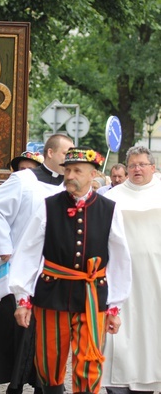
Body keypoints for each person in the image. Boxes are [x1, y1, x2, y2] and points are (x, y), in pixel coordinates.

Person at [9, 147, 132, 394]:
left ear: (93, 175)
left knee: (90, 360)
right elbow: (28, 252)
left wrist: (115, 306)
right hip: (52, 293)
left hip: (92, 296)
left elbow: (120, 259)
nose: (70, 176)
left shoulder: (109, 209)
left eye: (77, 170)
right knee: (49, 361)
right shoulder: (48, 206)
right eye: (67, 170)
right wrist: (22, 298)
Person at [0, 134, 74, 394]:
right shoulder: (24, 180)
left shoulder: (70, 187)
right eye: (67, 152)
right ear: (51, 153)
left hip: (55, 273)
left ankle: (48, 383)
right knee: (23, 334)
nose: (70, 157)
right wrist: (4, 247)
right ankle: (18, 385)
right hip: (21, 270)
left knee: (49, 335)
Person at [102, 146, 161, 394]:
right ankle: (122, 379)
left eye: (142, 164)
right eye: (133, 165)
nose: (137, 169)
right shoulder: (113, 197)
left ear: (153, 167)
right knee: (125, 330)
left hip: (157, 274)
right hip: (122, 274)